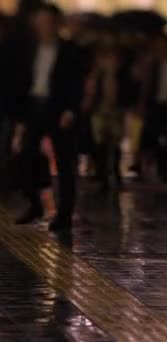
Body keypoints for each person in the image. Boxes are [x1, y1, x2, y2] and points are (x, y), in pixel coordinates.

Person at [10, 4, 81, 230]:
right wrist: (19, 115)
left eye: (47, 21)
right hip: (33, 106)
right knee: (25, 156)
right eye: (39, 21)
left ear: (56, 24)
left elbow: (75, 84)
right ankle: (34, 203)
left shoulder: (70, 50)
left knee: (64, 162)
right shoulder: (29, 48)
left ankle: (64, 214)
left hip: (57, 108)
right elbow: (20, 80)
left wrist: (71, 111)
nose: (42, 26)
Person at [82, 44, 133, 191]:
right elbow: (91, 94)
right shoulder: (96, 76)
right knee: (100, 145)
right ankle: (102, 175)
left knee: (115, 144)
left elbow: (118, 96)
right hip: (99, 112)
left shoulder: (121, 76)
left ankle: (115, 172)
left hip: (116, 112)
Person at [139, 35, 167, 182]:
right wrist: (142, 103)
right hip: (156, 104)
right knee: (152, 135)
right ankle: (159, 160)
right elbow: (147, 85)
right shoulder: (154, 64)